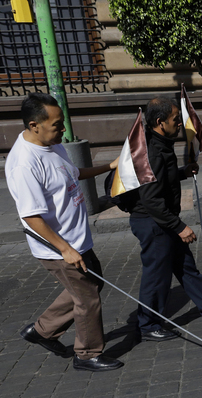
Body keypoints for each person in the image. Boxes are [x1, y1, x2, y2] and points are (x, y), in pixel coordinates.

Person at [5, 93, 123, 372]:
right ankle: (87, 354)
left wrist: (108, 167)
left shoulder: (52, 144)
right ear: (34, 125)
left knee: (92, 285)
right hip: (58, 246)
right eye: (57, 125)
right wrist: (65, 249)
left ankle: (42, 331)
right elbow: (31, 216)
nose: (63, 130)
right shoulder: (24, 163)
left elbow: (71, 174)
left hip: (77, 238)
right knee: (87, 297)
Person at [124, 97, 202, 341]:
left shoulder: (158, 143)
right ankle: (147, 325)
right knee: (156, 277)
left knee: (186, 267)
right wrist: (179, 227)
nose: (180, 124)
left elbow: (160, 182)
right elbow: (151, 200)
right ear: (160, 122)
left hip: (162, 220)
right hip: (154, 223)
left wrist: (182, 173)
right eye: (176, 120)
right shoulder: (154, 151)